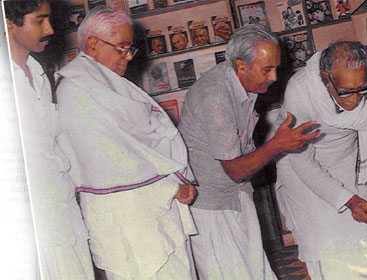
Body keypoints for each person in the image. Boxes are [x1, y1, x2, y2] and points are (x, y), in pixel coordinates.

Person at [55, 6, 197, 279]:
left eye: (131, 48)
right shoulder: (76, 90)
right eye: (121, 48)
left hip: (151, 210)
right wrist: (170, 187)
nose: (129, 57)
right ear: (93, 44)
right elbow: (112, 160)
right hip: (127, 216)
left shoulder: (108, 81)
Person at [178, 24, 320, 279]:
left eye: (275, 68)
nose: (274, 77)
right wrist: (277, 144)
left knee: (258, 272)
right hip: (210, 207)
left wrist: (276, 140)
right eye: (267, 69)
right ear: (241, 65)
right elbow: (234, 169)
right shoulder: (216, 96)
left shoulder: (240, 82)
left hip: (235, 196)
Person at [274, 40, 367, 279]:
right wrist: (347, 200)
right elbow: (302, 160)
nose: (355, 100)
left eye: (363, 89)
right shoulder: (301, 91)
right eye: (345, 92)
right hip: (300, 165)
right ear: (325, 78)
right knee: (326, 243)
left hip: (350, 156)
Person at [4, 1, 94, 278]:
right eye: (39, 20)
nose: (51, 29)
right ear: (8, 24)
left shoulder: (40, 74)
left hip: (64, 213)